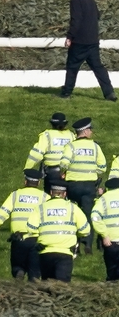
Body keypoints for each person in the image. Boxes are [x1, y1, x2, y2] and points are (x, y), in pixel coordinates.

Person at [0, 169, 50, 281]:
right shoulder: (45, 198)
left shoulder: (15, 195)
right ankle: (33, 285)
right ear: (38, 183)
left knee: (17, 266)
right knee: (35, 272)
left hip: (18, 239)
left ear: (25, 181)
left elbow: (0, 215)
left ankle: (19, 272)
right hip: (37, 240)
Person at [58, 0, 117, 101]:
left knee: (72, 67)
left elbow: (76, 20)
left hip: (80, 42)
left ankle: (66, 93)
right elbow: (97, 15)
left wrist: (70, 37)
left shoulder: (75, 0)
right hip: (93, 41)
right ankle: (109, 93)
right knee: (98, 68)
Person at [26, 178, 90, 282]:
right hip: (65, 253)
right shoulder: (73, 208)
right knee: (62, 288)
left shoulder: (41, 208)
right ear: (64, 194)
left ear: (51, 193)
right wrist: (76, 233)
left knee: (46, 286)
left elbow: (31, 228)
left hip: (45, 252)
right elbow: (85, 229)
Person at [59, 117, 107, 254]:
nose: (91, 132)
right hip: (89, 186)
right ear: (85, 132)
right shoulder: (95, 147)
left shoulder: (71, 146)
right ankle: (88, 245)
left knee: (73, 215)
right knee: (87, 215)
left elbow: (63, 163)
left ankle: (74, 245)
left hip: (73, 186)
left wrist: (65, 172)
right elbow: (102, 167)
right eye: (90, 129)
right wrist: (93, 171)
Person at [24, 112, 75, 194]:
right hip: (68, 172)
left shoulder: (47, 135)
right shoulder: (71, 135)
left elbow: (37, 154)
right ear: (65, 124)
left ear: (52, 124)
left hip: (52, 172)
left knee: (50, 196)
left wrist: (27, 168)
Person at [91, 178, 119, 281]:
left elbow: (95, 216)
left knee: (112, 273)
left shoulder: (103, 199)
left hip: (111, 241)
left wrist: (104, 234)